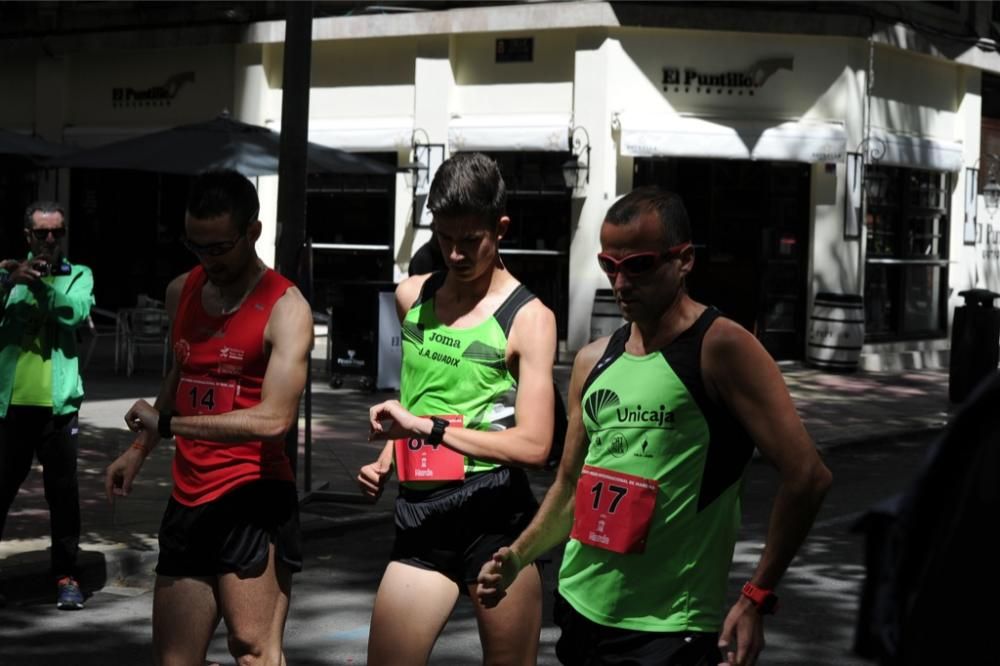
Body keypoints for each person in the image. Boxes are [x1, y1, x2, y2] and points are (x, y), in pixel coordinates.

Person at [476, 186, 833, 666]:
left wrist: (756, 596)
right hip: (581, 608)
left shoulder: (722, 348)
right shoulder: (592, 360)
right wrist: (517, 556)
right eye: (609, 265)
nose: (621, 283)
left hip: (668, 628)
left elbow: (808, 476)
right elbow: (569, 488)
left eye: (639, 265)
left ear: (683, 260)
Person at [104, 170, 312, 666]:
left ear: (252, 233)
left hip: (254, 500)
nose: (207, 260)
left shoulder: (286, 308)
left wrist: (168, 427)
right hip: (188, 500)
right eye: (196, 246)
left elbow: (273, 421)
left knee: (254, 650)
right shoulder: (183, 290)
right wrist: (138, 451)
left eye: (219, 248)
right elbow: (177, 381)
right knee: (175, 658)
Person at [358, 152, 557, 666]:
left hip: (493, 513)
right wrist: (388, 456)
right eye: (445, 238)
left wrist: (427, 428)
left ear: (501, 228)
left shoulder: (529, 319)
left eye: (471, 240)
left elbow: (535, 445)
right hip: (421, 511)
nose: (456, 253)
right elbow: (422, 395)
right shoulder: (411, 298)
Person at [0, 201, 93, 610]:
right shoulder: (7, 276)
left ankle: (66, 575)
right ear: (28, 236)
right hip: (10, 407)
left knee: (63, 495)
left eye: (58, 232)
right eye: (42, 234)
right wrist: (8, 282)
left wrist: (39, 285)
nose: (51, 240)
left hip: (58, 408)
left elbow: (75, 313)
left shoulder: (78, 275)